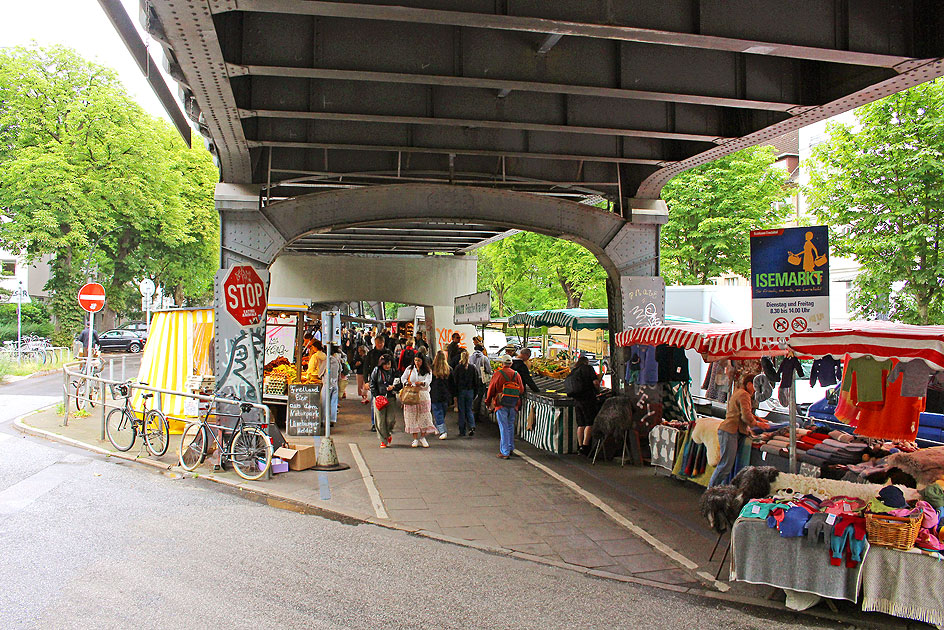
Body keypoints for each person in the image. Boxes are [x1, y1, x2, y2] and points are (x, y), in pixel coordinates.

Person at [709, 373, 764, 487]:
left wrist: (758, 419)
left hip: (731, 431)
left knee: (726, 465)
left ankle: (719, 490)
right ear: (749, 384)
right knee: (726, 465)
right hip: (730, 431)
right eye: (755, 385)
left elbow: (740, 412)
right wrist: (758, 424)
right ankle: (711, 490)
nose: (756, 389)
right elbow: (746, 416)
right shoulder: (744, 395)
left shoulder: (738, 392)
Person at [486, 354, 524, 459]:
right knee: (510, 426)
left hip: (500, 404)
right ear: (511, 363)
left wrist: (488, 402)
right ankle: (510, 447)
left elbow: (491, 389)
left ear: (502, 363)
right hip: (513, 404)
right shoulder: (517, 375)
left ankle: (505, 451)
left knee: (503, 427)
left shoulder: (498, 374)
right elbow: (521, 389)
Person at [401, 353, 437, 447]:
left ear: (423, 361)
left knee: (424, 416)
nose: (417, 362)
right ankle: (415, 438)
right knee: (412, 416)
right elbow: (403, 378)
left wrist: (421, 383)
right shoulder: (409, 369)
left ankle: (423, 437)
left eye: (419, 361)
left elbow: (428, 381)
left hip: (423, 395)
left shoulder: (427, 370)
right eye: (415, 360)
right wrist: (406, 383)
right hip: (411, 395)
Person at [568, 353, 601, 456]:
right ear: (586, 362)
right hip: (587, 398)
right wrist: (598, 390)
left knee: (581, 423)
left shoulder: (574, 370)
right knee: (589, 422)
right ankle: (585, 446)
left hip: (577, 399)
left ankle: (579, 445)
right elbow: (595, 382)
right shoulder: (588, 368)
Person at [370, 354, 398, 448]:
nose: (387, 366)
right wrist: (376, 395)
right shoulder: (376, 371)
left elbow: (399, 383)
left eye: (389, 364)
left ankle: (387, 433)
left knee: (391, 420)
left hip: (390, 397)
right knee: (380, 420)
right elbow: (372, 383)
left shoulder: (394, 371)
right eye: (385, 364)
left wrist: (393, 387)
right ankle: (383, 440)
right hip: (379, 397)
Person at [452, 350, 479, 437]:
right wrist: (475, 392)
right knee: (469, 409)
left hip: (461, 391)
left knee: (462, 411)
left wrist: (454, 394)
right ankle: (471, 425)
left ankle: (462, 430)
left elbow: (455, 381)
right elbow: (476, 381)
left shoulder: (458, 368)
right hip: (470, 391)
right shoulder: (472, 367)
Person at [363, 336, 387, 429]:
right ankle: (374, 423)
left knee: (385, 402)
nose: (380, 345)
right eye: (378, 343)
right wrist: (366, 381)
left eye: (381, 343)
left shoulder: (387, 353)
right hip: (374, 381)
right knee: (375, 402)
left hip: (385, 380)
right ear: (375, 343)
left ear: (383, 343)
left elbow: (394, 366)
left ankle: (383, 422)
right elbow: (366, 367)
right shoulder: (371, 354)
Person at [430, 351, 452, 438]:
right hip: (445, 394)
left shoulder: (432, 369)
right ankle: (439, 427)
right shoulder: (449, 369)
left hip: (435, 394)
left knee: (437, 412)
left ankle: (442, 430)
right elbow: (452, 384)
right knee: (442, 412)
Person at [320, 349, 345, 426]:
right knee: (333, 402)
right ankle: (332, 419)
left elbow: (320, 372)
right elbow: (340, 371)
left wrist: (320, 376)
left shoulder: (327, 361)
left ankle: (323, 419)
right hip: (335, 383)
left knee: (324, 402)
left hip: (327, 383)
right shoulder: (337, 361)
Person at [469, 342, 492, 423]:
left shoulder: (470, 357)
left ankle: (470, 414)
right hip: (480, 379)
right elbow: (489, 370)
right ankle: (476, 415)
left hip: (471, 379)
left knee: (472, 396)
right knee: (479, 397)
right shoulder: (484, 358)